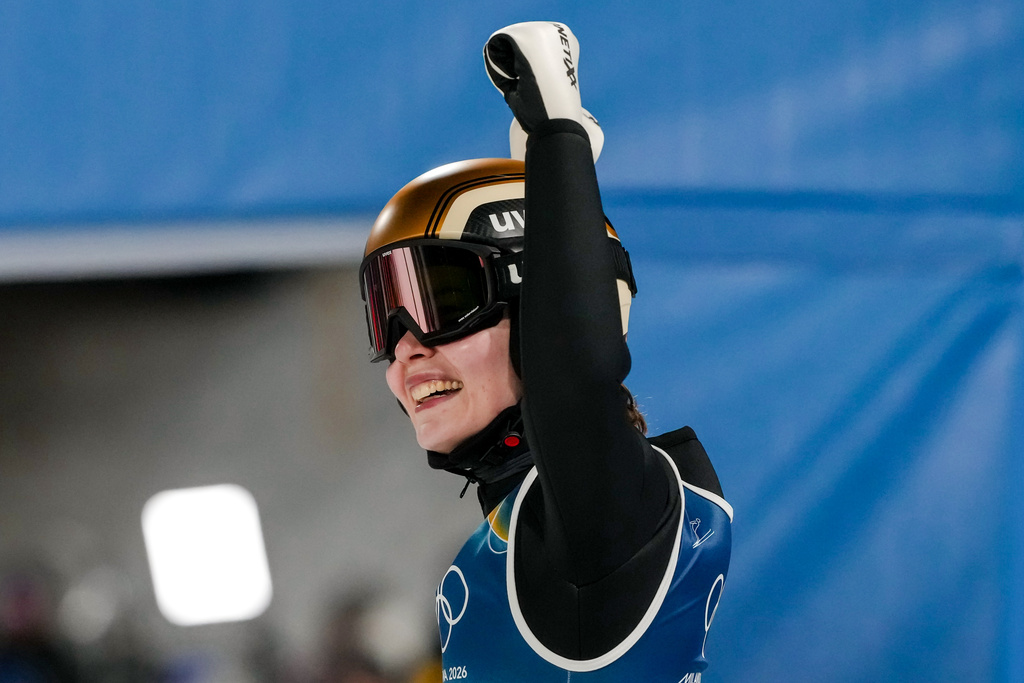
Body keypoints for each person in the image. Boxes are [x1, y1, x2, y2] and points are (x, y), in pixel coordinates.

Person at [358, 21, 732, 682]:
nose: (405, 349)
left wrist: (558, 133)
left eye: (442, 305)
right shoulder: (506, 547)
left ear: (547, 312)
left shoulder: (611, 522)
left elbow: (577, 383)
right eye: (387, 318)